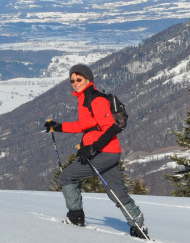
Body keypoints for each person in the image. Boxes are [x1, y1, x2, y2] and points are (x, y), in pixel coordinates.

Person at [44, 64, 149, 239]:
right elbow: (84, 125)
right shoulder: (84, 99)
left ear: (88, 79)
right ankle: (138, 226)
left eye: (79, 79)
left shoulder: (96, 99)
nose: (75, 83)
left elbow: (111, 127)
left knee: (66, 177)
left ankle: (76, 218)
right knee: (116, 191)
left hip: (103, 153)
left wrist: (94, 148)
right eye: (72, 80)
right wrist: (58, 126)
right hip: (108, 153)